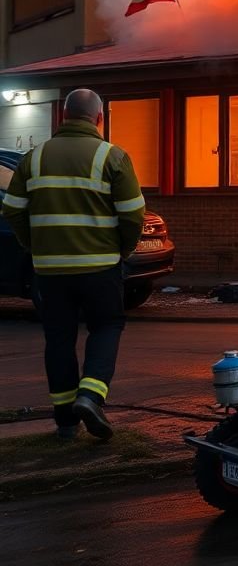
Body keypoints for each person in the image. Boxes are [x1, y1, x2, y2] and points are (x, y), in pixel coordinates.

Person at [1, 89, 145, 440]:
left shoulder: (33, 158)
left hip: (50, 272)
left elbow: (13, 209)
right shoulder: (112, 156)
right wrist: (122, 251)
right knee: (107, 326)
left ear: (62, 118)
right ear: (98, 119)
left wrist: (34, 245)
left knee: (59, 340)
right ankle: (91, 396)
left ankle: (65, 422)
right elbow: (132, 214)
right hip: (100, 268)